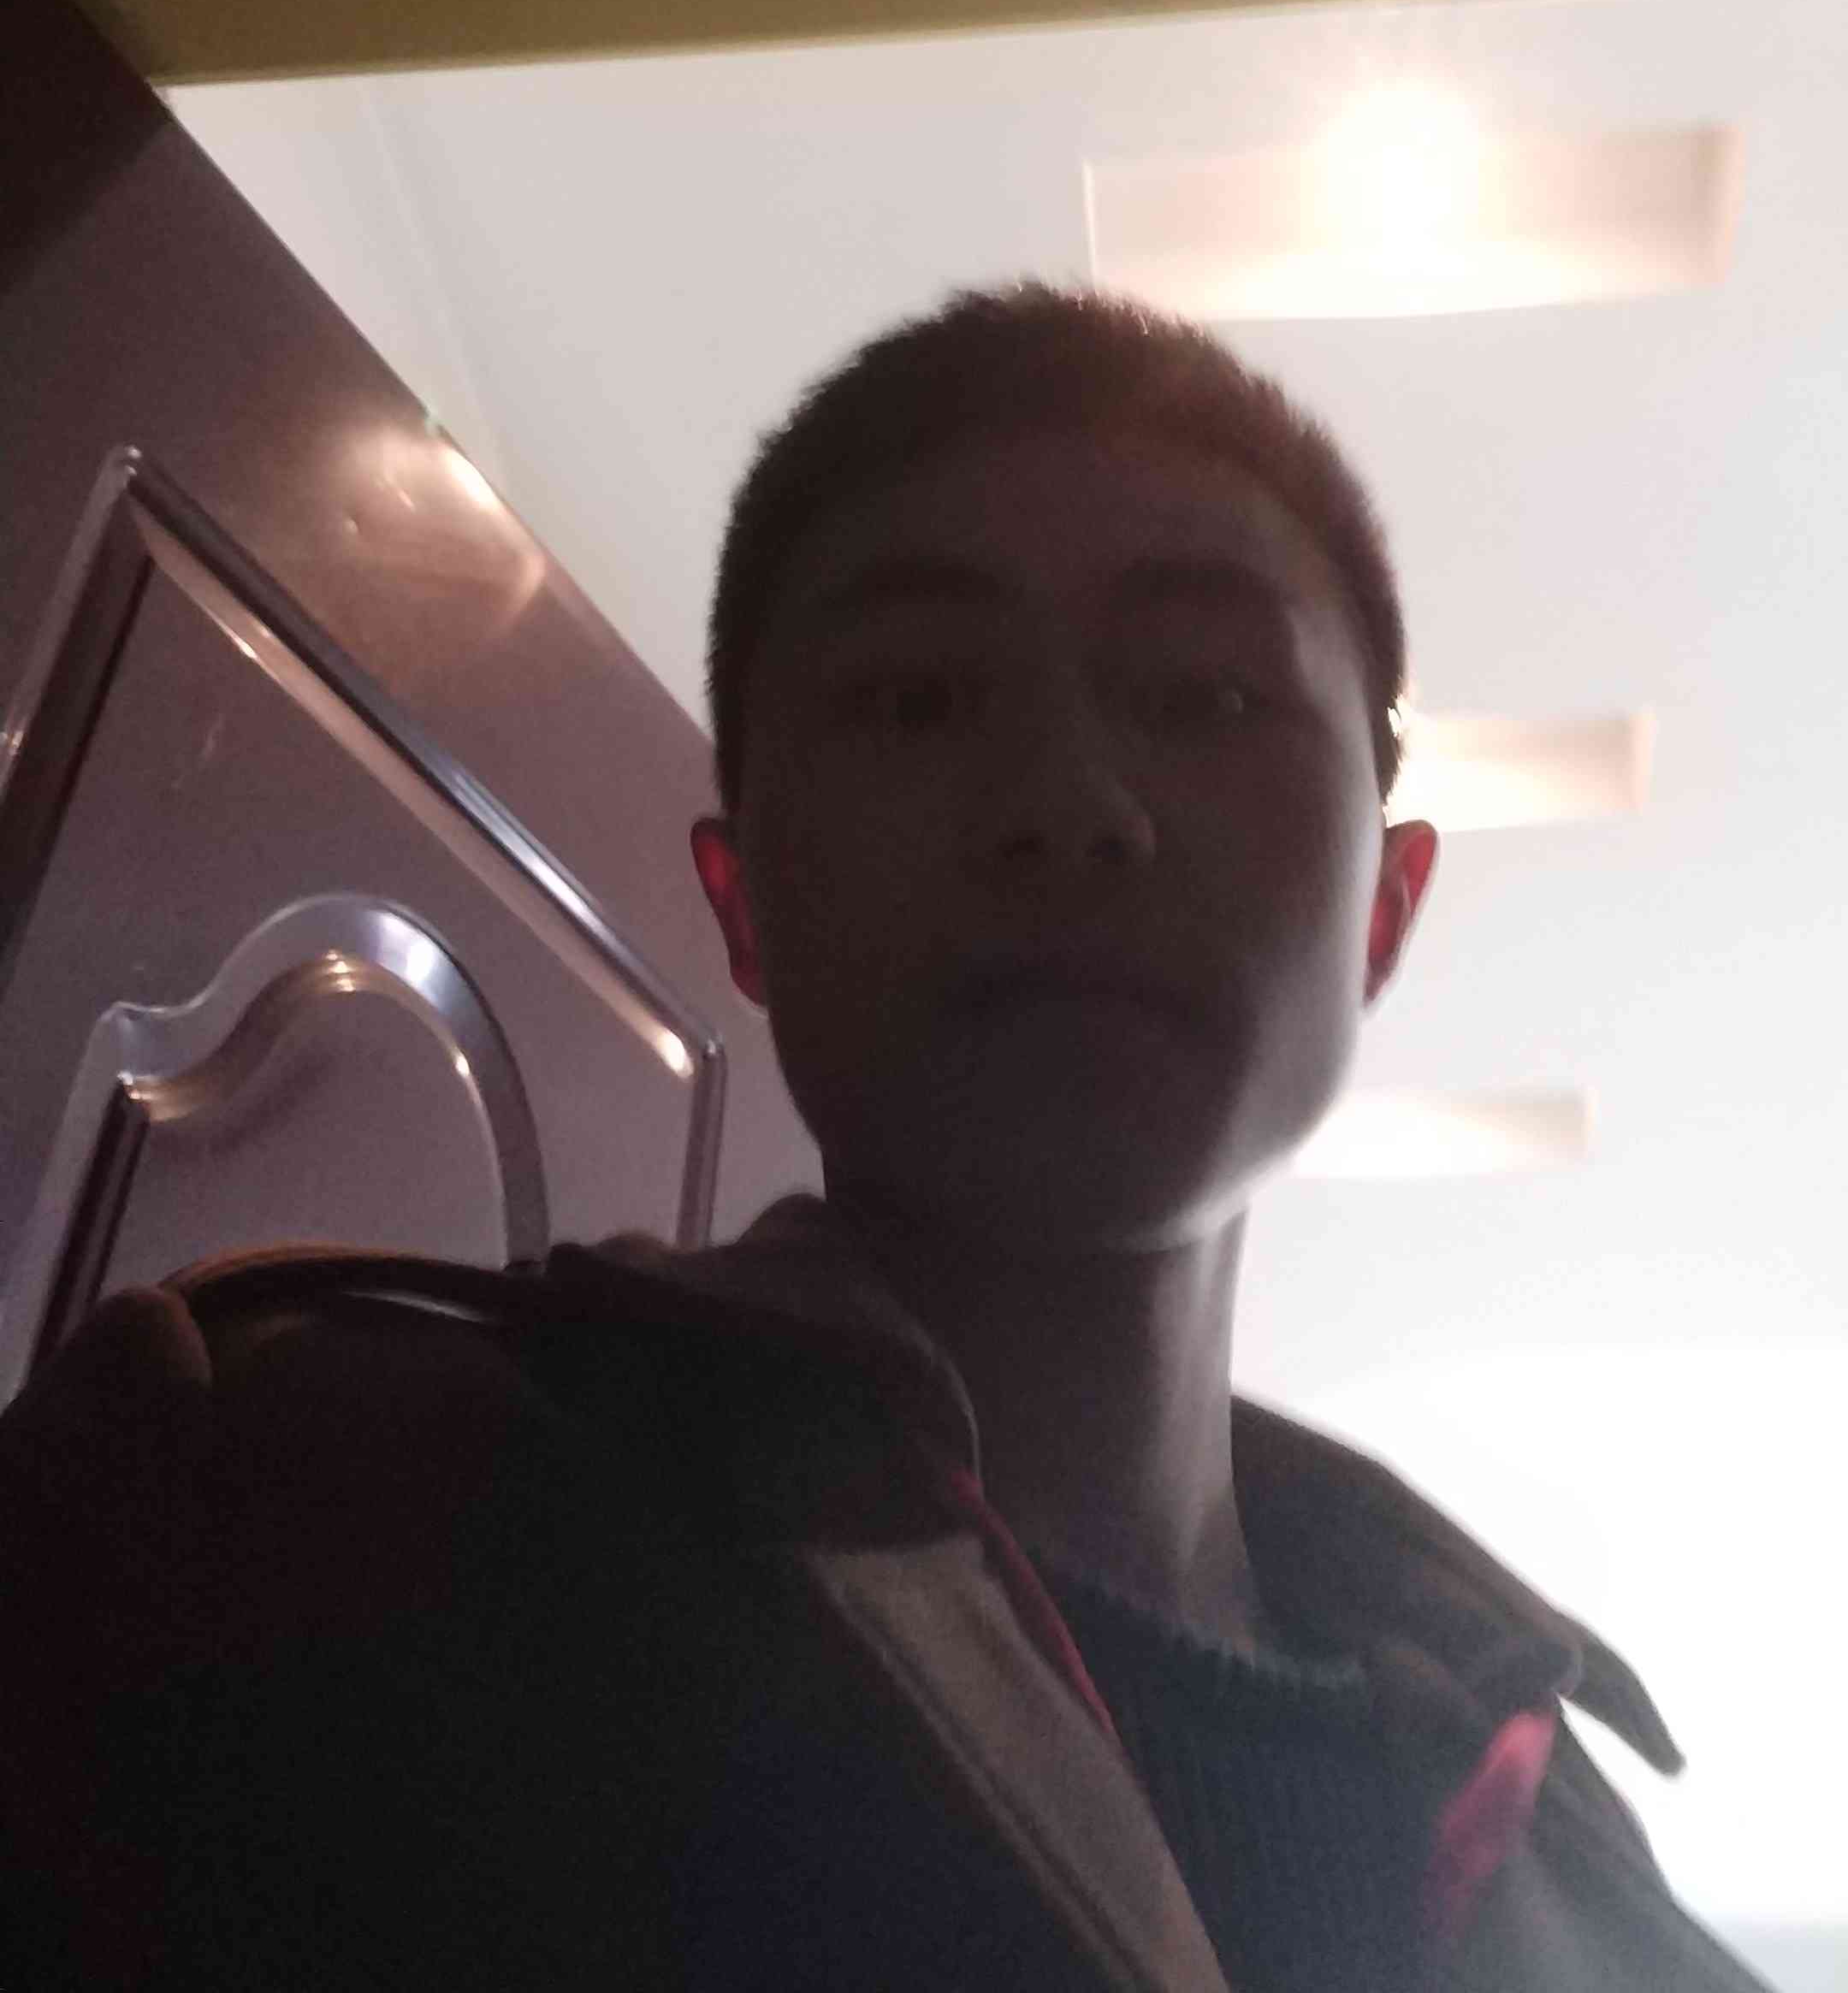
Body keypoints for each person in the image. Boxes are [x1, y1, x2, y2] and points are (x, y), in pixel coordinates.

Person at [0, 284, 1766, 1990]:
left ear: (1386, 905)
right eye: (919, 697)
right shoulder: (265, 1526)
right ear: (742, 901)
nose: (1071, 805)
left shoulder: (1581, 1859)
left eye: (1210, 696)